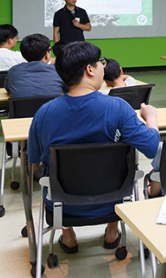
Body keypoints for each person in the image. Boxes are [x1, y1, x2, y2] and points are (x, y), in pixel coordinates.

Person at [27, 41, 159, 254]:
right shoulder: (118, 108)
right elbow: (151, 147)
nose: (103, 68)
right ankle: (112, 232)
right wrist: (151, 118)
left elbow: (34, 163)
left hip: (62, 205)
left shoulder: (44, 113)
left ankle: (68, 236)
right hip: (115, 200)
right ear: (90, 69)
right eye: (101, 63)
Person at [4, 33, 65, 97]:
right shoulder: (58, 71)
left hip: (25, 104)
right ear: (46, 54)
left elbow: (8, 89)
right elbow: (68, 89)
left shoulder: (13, 72)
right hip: (53, 104)